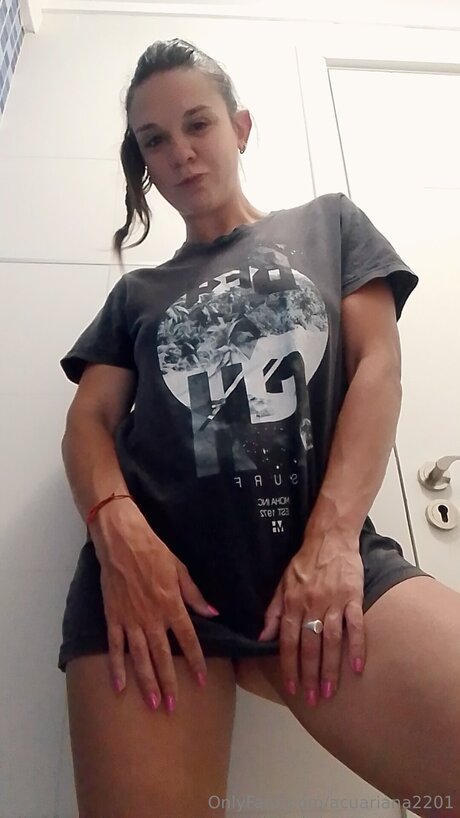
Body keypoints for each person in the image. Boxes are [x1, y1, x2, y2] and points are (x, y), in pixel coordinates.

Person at [58, 37, 460, 818]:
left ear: (240, 127)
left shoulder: (330, 224)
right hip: (154, 591)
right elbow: (89, 421)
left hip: (323, 562)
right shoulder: (136, 293)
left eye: (197, 124)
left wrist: (333, 541)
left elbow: (378, 368)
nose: (180, 153)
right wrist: (118, 533)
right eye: (154, 141)